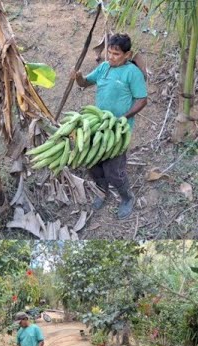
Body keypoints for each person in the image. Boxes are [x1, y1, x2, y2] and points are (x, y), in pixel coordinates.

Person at [73, 33, 148, 219]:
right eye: (109, 53)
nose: (111, 57)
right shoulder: (104, 68)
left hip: (118, 129)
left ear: (127, 55)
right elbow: (85, 83)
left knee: (114, 170)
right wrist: (78, 77)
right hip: (99, 125)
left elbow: (142, 100)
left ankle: (127, 198)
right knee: (93, 163)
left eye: (116, 54)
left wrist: (123, 117)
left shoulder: (132, 73)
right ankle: (102, 191)